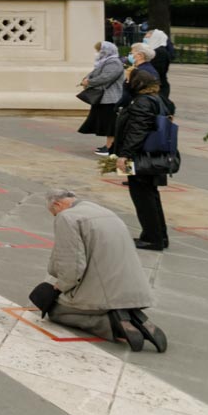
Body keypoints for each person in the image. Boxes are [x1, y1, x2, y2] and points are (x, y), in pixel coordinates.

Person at [37, 190, 166, 352]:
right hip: (134, 290)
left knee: (54, 309)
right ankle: (132, 315)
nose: (55, 217)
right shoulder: (104, 211)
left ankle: (112, 322)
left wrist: (61, 285)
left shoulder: (66, 217)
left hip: (106, 293)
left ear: (57, 204)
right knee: (100, 295)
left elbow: (72, 265)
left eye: (53, 213)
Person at [111, 67, 174, 251]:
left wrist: (125, 155)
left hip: (140, 156)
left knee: (142, 195)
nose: (126, 84)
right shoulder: (157, 98)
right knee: (150, 194)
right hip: (150, 154)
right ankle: (158, 236)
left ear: (137, 84)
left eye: (128, 80)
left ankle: (152, 238)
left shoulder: (142, 102)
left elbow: (138, 131)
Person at [77, 40, 125, 154]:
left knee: (110, 124)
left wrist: (89, 82)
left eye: (99, 51)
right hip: (105, 98)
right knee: (106, 122)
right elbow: (97, 73)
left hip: (110, 98)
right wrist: (87, 79)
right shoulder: (106, 61)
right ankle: (109, 145)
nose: (97, 53)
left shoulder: (113, 62)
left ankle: (110, 148)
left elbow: (106, 77)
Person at [143, 28, 174, 104]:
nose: (145, 39)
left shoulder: (159, 52)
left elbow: (157, 70)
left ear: (155, 38)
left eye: (147, 37)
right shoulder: (153, 50)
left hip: (158, 87)